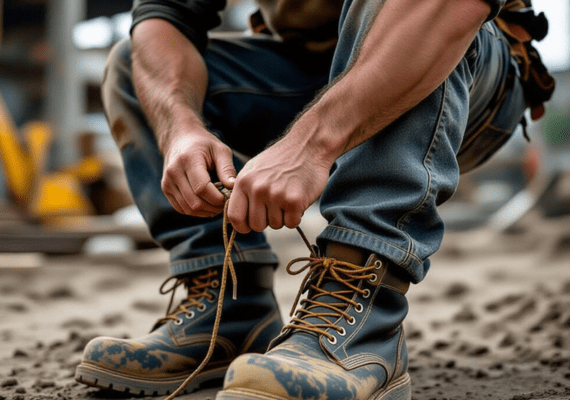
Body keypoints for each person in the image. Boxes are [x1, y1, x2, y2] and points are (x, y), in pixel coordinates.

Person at [74, 0, 551, 399]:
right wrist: (180, 127)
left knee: (410, 21)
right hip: (314, 70)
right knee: (130, 64)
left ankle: (361, 317)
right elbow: (165, 16)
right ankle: (229, 308)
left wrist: (310, 144)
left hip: (466, 68)